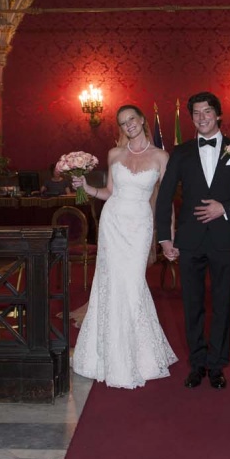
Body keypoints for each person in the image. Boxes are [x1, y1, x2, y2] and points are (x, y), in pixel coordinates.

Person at [154, 91, 230, 390]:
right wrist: (165, 238)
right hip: (189, 240)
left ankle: (217, 365)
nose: (202, 117)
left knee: (223, 303)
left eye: (207, 112)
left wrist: (225, 208)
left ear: (218, 115)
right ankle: (197, 363)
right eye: (197, 113)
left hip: (224, 239)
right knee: (191, 305)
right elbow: (164, 198)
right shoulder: (181, 152)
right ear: (192, 118)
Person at [70, 104, 177, 388]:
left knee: (132, 284)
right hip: (112, 223)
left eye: (131, 119)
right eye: (122, 122)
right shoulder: (114, 154)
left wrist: (168, 238)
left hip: (140, 225)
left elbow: (165, 203)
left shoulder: (161, 157)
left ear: (142, 120)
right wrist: (85, 186)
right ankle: (105, 356)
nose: (128, 125)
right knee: (109, 283)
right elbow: (108, 193)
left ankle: (139, 355)